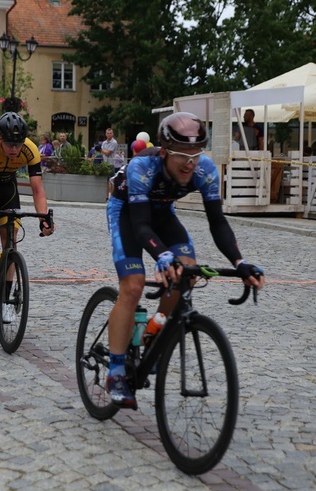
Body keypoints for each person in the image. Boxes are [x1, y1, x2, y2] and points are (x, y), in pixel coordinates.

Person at [105, 112, 265, 408]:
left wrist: (239, 262)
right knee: (133, 285)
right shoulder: (142, 166)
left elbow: (218, 223)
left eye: (196, 154)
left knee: (186, 272)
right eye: (182, 156)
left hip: (163, 213)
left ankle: (155, 329)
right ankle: (115, 371)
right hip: (128, 212)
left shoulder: (204, 170)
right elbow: (141, 227)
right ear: (164, 152)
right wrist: (162, 255)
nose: (190, 163)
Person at [0, 112, 55, 320]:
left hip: (8, 186)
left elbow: (38, 190)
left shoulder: (31, 150)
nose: (14, 149)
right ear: (0, 139)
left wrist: (44, 219)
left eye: (18, 144)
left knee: (11, 240)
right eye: (10, 144)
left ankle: (5, 299)